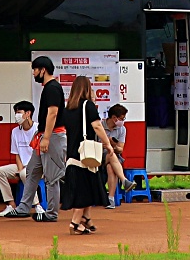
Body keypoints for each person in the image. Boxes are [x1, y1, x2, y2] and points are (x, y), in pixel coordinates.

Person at [58, 75, 116, 235]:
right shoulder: (88, 106)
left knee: (89, 187)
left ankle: (86, 218)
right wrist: (108, 144)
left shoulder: (68, 109)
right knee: (85, 190)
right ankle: (75, 223)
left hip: (72, 154)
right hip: (86, 154)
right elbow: (97, 126)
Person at [30, 56, 65, 223]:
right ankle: (24, 206)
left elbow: (53, 114)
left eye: (35, 70)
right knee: (34, 170)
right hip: (49, 136)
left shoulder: (52, 88)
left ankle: (52, 213)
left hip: (52, 137)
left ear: (42, 70)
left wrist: (46, 138)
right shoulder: (50, 87)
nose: (33, 73)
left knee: (52, 178)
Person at [0, 101, 38, 216]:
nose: (16, 115)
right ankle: (11, 205)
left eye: (19, 112)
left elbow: (39, 154)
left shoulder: (37, 129)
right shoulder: (15, 131)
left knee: (25, 174)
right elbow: (17, 154)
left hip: (37, 166)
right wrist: (19, 169)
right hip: (21, 166)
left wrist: (24, 169)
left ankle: (37, 205)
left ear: (28, 113)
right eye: (16, 112)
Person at [101, 103, 130, 207]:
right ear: (114, 118)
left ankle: (111, 199)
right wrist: (105, 145)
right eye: (121, 118)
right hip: (99, 157)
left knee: (110, 167)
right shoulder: (100, 126)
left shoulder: (122, 129)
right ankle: (124, 180)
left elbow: (120, 149)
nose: (122, 121)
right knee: (110, 154)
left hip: (114, 158)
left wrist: (113, 146)